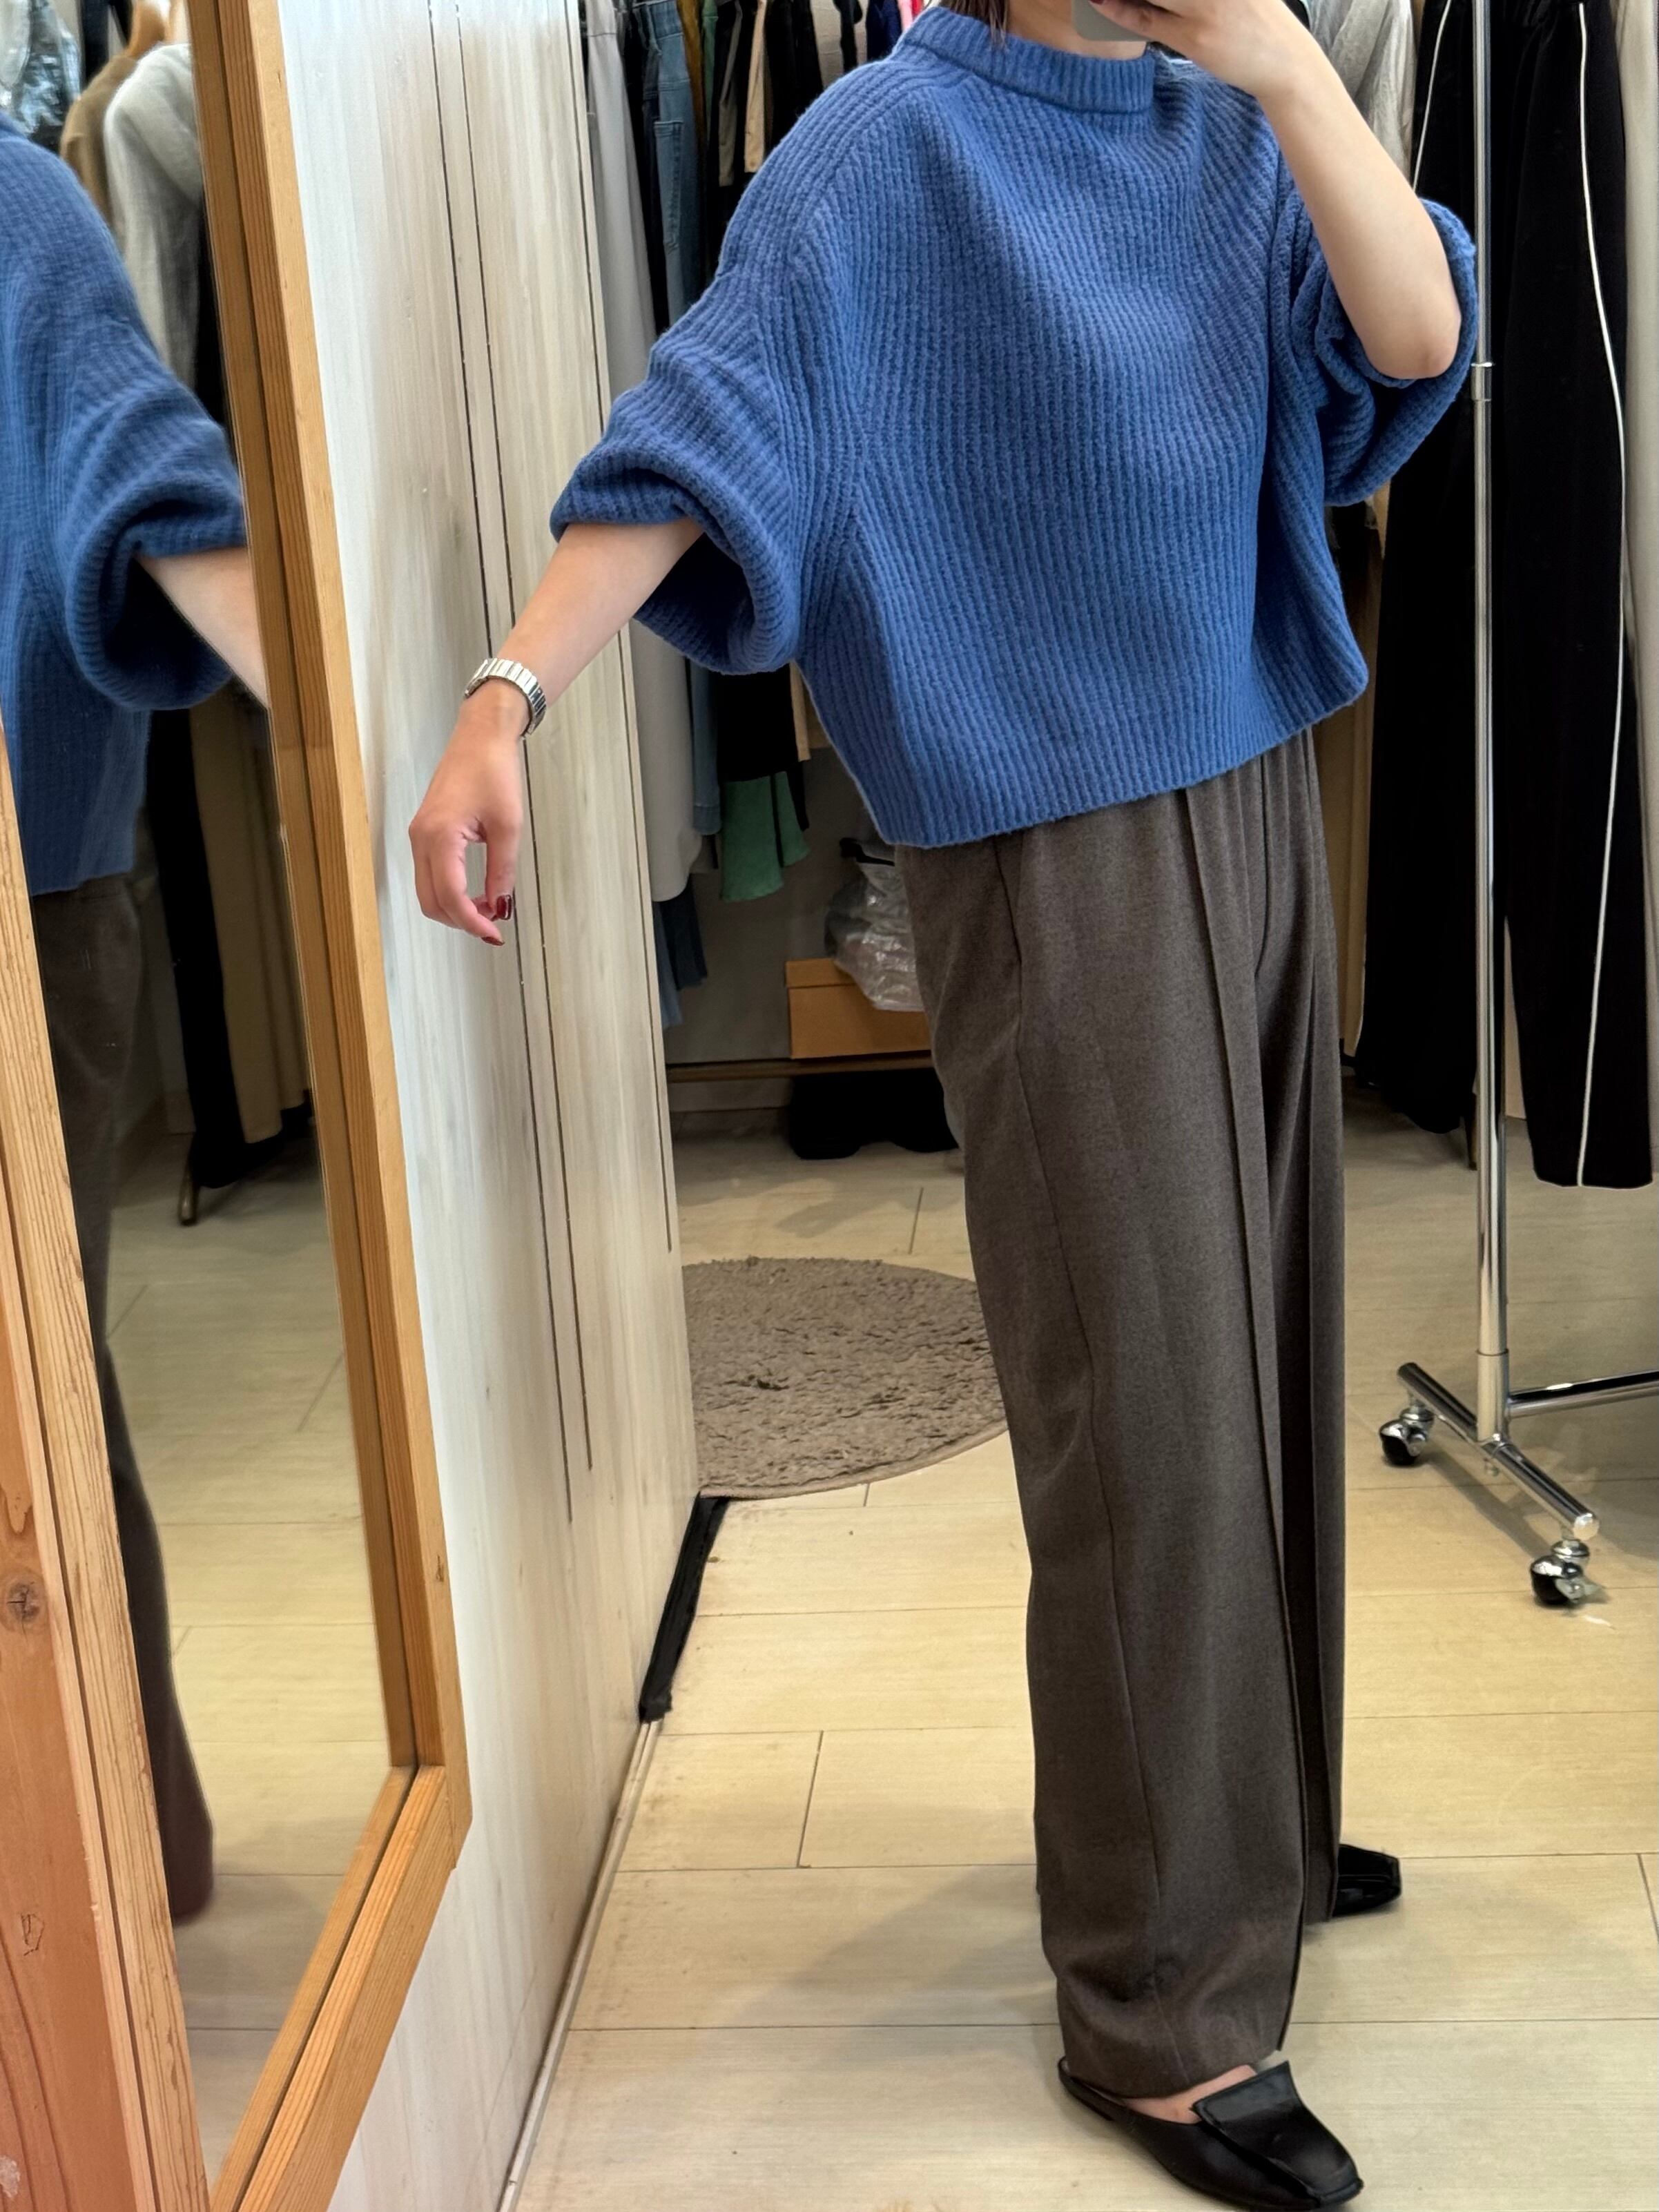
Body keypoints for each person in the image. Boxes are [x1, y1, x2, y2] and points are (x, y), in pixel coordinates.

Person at [410, 0, 1474, 2201]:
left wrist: (1286, 69)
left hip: (1253, 792)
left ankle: (1248, 1840)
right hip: (1051, 851)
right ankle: (1160, 2001)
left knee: (1259, 1351)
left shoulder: (1220, 125)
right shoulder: (877, 152)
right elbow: (691, 439)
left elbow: (1412, 334)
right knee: (1139, 1403)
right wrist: (506, 691)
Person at [1, 111, 267, 1920]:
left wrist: (343, 708)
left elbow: (145, 461)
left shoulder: (19, 204)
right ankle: (115, 1852)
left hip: (29, 897)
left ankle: (109, 1863)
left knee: (34, 1398)